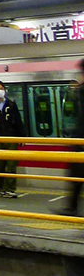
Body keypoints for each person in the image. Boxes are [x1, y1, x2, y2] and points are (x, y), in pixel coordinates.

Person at [58, 61, 84, 216]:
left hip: (80, 144)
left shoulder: (80, 92)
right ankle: (71, 207)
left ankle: (71, 208)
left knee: (75, 177)